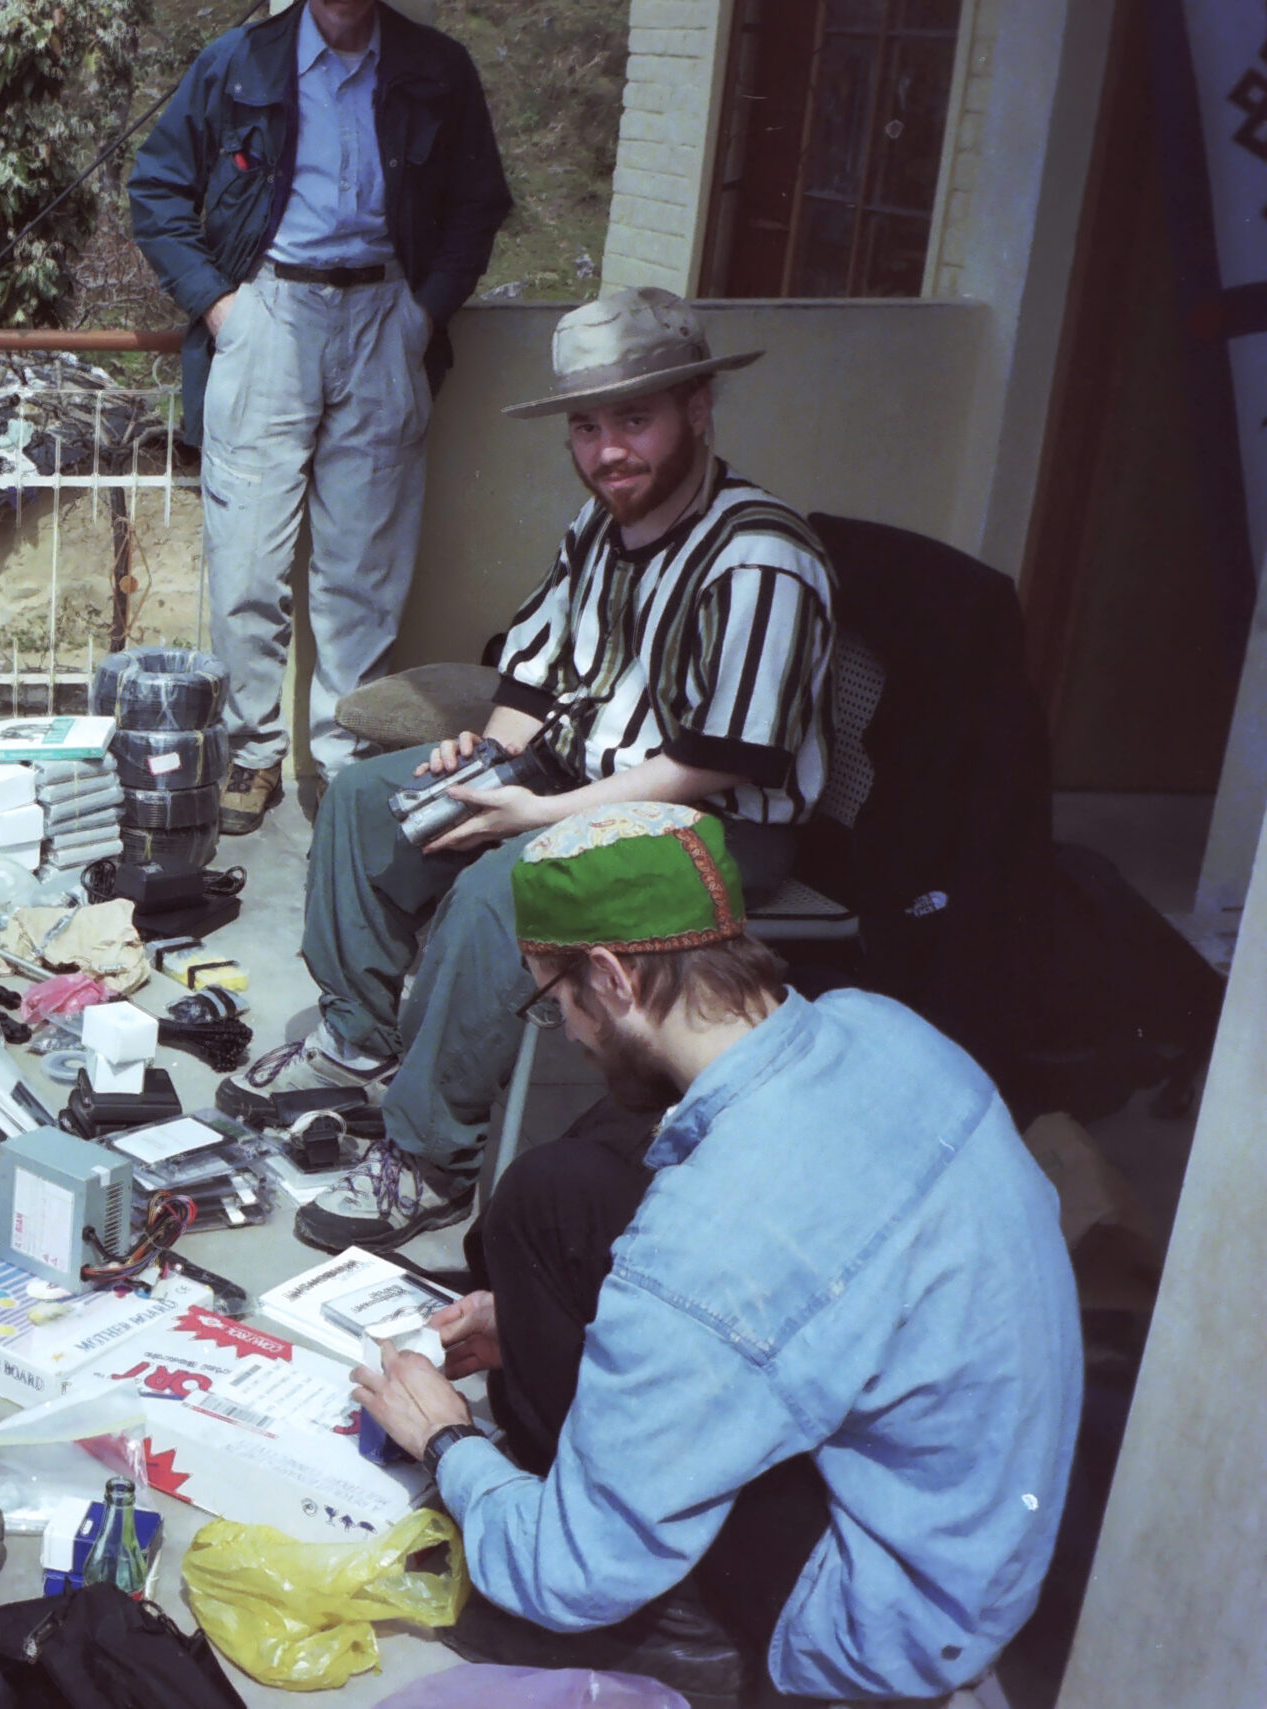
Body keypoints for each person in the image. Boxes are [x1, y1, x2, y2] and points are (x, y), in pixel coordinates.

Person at [352, 803, 1082, 1708]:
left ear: (611, 978)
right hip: (981, 1533)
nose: (567, 1031)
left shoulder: (704, 1248)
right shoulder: (880, 1025)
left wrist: (446, 1438)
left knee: (500, 1575)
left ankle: (712, 1651)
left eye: (554, 1001)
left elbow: (567, 1571)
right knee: (559, 1195)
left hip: (879, 1626)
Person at [225, 286, 836, 1252]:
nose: (607, 452)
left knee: (505, 888)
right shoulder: (599, 528)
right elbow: (535, 672)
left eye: (634, 419)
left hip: (716, 825)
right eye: (587, 427)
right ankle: (357, 1039)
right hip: (575, 775)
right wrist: (491, 755)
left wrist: (529, 819)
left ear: (698, 410)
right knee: (364, 799)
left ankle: (428, 1155)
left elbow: (713, 764)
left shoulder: (760, 558)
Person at [128, 0, 512, 834]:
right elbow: (154, 187)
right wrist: (219, 306)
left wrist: (425, 313)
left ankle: (345, 766)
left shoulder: (436, 68)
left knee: (362, 573)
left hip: (384, 315)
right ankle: (254, 752)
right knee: (246, 564)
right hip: (270, 310)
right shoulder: (236, 62)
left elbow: (480, 205)